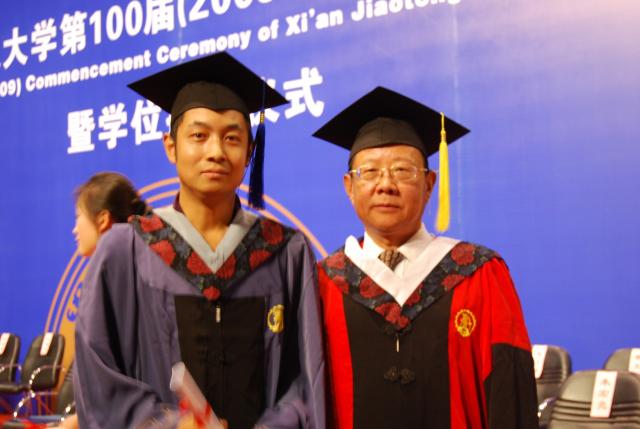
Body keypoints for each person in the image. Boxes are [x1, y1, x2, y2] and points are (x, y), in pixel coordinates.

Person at [73, 52, 325, 429]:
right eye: (199, 136)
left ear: (250, 153)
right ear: (170, 146)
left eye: (232, 138)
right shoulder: (126, 251)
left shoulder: (286, 252)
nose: (216, 152)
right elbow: (98, 376)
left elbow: (306, 380)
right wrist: (167, 424)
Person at [313, 87, 538, 428]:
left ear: (430, 183)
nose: (386, 185)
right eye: (370, 172)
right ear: (349, 186)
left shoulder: (479, 273)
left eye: (402, 170)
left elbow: (512, 394)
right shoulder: (322, 284)